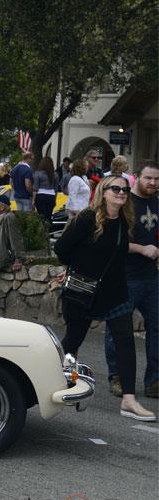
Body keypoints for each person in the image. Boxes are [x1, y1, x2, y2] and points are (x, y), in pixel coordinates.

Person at [54, 175, 154, 421]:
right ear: (104, 192)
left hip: (114, 293)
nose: (121, 192)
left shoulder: (123, 219)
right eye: (116, 189)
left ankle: (129, 400)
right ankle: (53, 382)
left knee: (125, 342)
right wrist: (75, 268)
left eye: (124, 189)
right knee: (73, 341)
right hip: (83, 291)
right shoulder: (88, 218)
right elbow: (62, 249)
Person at [105, 160, 158, 399]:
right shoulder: (125, 202)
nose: (153, 183)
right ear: (137, 177)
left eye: (157, 179)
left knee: (157, 329)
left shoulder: (157, 202)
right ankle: (117, 378)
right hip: (124, 276)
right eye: (148, 178)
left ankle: (154, 381)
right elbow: (113, 240)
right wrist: (141, 249)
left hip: (151, 277)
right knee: (118, 329)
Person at [0, 194, 24, 273]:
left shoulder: (9, 217)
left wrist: (18, 259)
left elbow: (15, 239)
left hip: (4, 261)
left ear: (2, 207)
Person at [32, 156, 57, 231]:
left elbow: (35, 188)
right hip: (51, 196)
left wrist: (33, 200)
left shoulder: (38, 174)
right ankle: (48, 232)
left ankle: (42, 233)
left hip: (41, 196)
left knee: (41, 216)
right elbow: (56, 189)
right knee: (48, 216)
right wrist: (55, 199)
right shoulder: (55, 175)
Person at [64, 159, 91, 223]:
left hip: (82, 209)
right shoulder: (75, 179)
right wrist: (75, 210)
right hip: (76, 211)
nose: (87, 168)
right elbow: (72, 195)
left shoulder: (83, 178)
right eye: (86, 166)